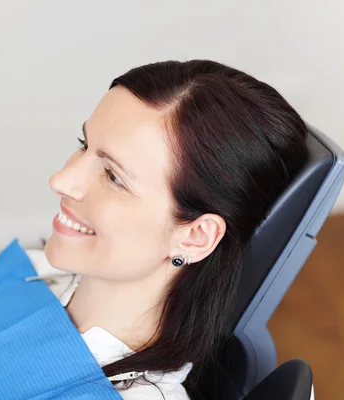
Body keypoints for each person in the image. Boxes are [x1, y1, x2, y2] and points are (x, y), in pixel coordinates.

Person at [24, 59, 308, 399]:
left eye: (114, 177)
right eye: (84, 144)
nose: (61, 180)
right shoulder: (34, 269)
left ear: (194, 236)